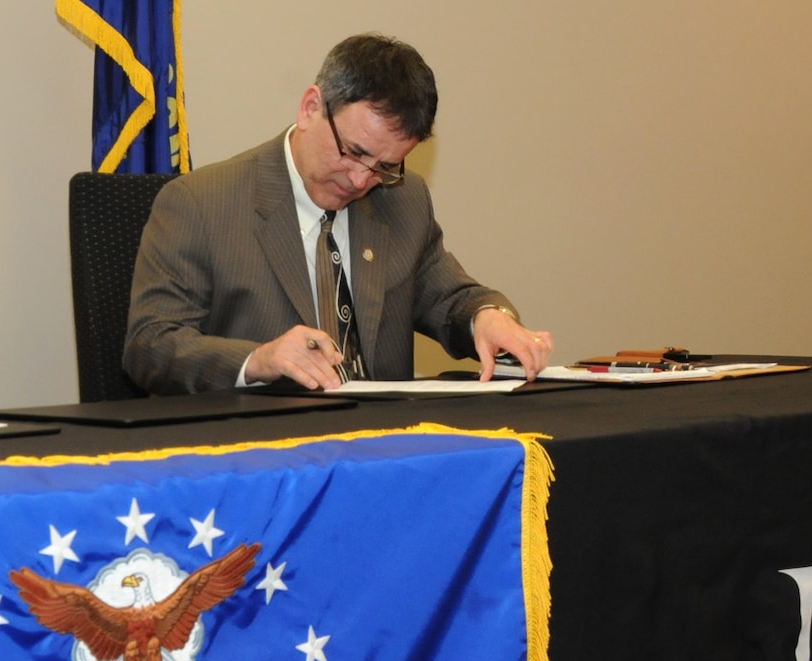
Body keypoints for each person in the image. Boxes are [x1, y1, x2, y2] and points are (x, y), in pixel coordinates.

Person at [123, 33, 553, 393]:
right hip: (263, 459)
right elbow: (151, 345)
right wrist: (258, 359)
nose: (361, 180)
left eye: (385, 167)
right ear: (311, 107)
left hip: (383, 456)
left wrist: (489, 317)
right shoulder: (201, 203)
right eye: (354, 152)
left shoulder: (403, 201)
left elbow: (452, 299)